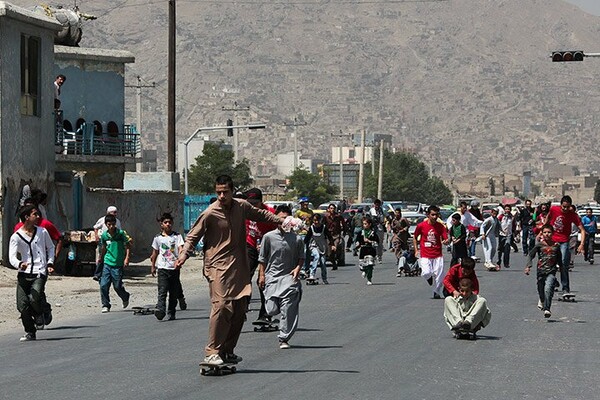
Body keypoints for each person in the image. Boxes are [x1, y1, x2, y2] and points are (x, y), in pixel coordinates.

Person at [175, 175, 283, 366]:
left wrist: (282, 221)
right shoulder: (210, 212)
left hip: (238, 266)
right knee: (222, 306)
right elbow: (193, 235)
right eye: (219, 192)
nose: (222, 196)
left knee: (240, 310)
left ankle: (227, 351)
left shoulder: (241, 207)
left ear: (233, 191)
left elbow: (262, 215)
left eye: (225, 192)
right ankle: (212, 351)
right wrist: (183, 255)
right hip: (217, 267)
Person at [257, 205, 304, 349]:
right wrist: (261, 275)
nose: (284, 221)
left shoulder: (297, 239)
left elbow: (301, 257)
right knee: (271, 309)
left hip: (289, 278)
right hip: (272, 277)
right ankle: (276, 312)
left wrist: (297, 268)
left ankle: (284, 338)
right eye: (281, 218)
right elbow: (263, 258)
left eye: (286, 218)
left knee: (288, 309)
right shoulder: (268, 237)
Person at [9, 205, 55, 342]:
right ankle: (30, 331)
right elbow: (11, 256)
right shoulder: (16, 237)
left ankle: (44, 310)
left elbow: (50, 247)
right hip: (24, 273)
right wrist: (19, 264)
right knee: (22, 305)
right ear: (26, 217)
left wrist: (50, 263)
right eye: (35, 214)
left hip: (40, 271)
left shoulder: (42, 232)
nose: (38, 216)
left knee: (34, 297)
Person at [244, 188, 278, 324]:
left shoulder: (269, 212)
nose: (252, 206)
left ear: (261, 202)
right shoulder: (243, 211)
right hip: (250, 245)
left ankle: (265, 314)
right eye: (250, 203)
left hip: (267, 249)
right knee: (244, 276)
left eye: (255, 203)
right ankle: (242, 308)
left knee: (262, 282)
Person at [544, 195, 585, 296]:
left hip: (564, 241)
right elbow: (548, 218)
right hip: (552, 241)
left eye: (567, 207)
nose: (565, 209)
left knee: (563, 264)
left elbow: (582, 230)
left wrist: (582, 245)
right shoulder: (554, 209)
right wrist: (544, 231)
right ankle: (553, 282)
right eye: (564, 207)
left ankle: (565, 288)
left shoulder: (573, 215)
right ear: (561, 205)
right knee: (549, 263)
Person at [151, 213, 185, 321]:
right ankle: (161, 310)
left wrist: (179, 260)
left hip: (174, 268)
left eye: (170, 222)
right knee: (162, 290)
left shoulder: (177, 236)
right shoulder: (158, 238)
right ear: (161, 224)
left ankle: (171, 311)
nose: (168, 224)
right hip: (162, 268)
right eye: (165, 222)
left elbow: (181, 249)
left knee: (173, 292)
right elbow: (155, 253)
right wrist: (153, 266)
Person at [413, 205, 449, 298]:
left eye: (436, 215)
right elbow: (415, 237)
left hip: (438, 255)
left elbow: (445, 238)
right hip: (425, 254)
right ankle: (429, 278)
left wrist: (446, 241)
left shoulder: (440, 226)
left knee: (440, 276)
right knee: (426, 272)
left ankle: (436, 292)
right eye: (432, 215)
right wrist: (416, 250)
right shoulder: (421, 226)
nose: (435, 217)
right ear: (428, 215)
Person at [524, 224, 560, 318]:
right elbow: (531, 255)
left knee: (548, 289)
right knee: (541, 290)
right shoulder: (539, 245)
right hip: (541, 271)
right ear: (542, 234)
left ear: (552, 233)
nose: (547, 234)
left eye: (549, 232)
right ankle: (543, 300)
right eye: (545, 232)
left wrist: (562, 268)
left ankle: (547, 309)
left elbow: (560, 259)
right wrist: (528, 266)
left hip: (551, 271)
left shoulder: (556, 245)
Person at [99, 214, 132, 313]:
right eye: (109, 224)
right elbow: (104, 247)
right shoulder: (104, 235)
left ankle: (125, 296)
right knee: (103, 285)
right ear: (106, 225)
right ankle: (106, 305)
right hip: (107, 263)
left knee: (117, 286)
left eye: (113, 224)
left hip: (117, 264)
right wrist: (101, 257)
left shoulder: (121, 234)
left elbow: (128, 245)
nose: (112, 226)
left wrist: (127, 258)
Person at [93, 206, 122, 281]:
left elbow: (120, 231)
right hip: (104, 240)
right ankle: (97, 274)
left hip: (113, 242)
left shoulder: (117, 221)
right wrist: (96, 236)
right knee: (101, 256)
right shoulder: (102, 220)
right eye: (114, 212)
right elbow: (96, 227)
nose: (115, 214)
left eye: (116, 212)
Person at [304, 213, 335, 284]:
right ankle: (312, 274)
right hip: (314, 246)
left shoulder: (324, 228)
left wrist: (332, 245)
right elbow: (307, 238)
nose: (316, 222)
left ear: (320, 220)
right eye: (314, 220)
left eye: (317, 220)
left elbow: (329, 236)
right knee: (316, 256)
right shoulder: (311, 228)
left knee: (323, 263)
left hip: (322, 247)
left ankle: (324, 278)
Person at [355, 216, 379, 285]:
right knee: (362, 265)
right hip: (363, 250)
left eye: (365, 224)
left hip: (370, 250)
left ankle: (369, 279)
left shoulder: (373, 233)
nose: (364, 225)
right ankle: (364, 271)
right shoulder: (361, 232)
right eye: (363, 224)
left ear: (369, 224)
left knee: (370, 265)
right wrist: (357, 244)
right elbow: (357, 240)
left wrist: (369, 241)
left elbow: (377, 242)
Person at [323, 203, 346, 269]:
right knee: (329, 253)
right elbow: (322, 225)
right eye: (331, 208)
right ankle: (334, 263)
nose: (332, 210)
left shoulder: (338, 216)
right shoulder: (326, 217)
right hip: (328, 236)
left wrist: (344, 231)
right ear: (328, 209)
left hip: (336, 235)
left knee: (334, 248)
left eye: (333, 208)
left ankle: (336, 257)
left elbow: (344, 224)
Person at [497, 204, 516, 269]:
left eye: (508, 209)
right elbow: (497, 223)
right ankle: (498, 262)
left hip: (509, 235)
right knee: (500, 249)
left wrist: (515, 233)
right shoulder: (501, 216)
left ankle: (506, 263)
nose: (507, 210)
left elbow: (513, 225)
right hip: (501, 234)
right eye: (506, 209)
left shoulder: (512, 217)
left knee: (507, 249)